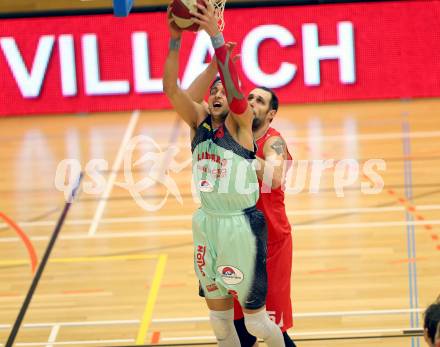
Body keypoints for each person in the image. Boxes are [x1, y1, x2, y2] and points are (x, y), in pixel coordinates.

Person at [163, 1, 284, 346]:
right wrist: (175, 38)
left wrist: (217, 39)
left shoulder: (241, 126)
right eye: (211, 91)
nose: (217, 94)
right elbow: (172, 89)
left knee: (257, 325)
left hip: (242, 227)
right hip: (206, 223)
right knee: (219, 322)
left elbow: (234, 91)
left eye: (222, 91)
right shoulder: (197, 123)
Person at [187, 51, 295, 347]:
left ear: (271, 114)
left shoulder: (273, 140)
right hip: (232, 240)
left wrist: (246, 158)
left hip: (270, 244)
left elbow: (274, 177)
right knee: (236, 325)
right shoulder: (227, 133)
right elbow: (190, 101)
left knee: (267, 326)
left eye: (260, 101)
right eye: (249, 98)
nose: (251, 103)